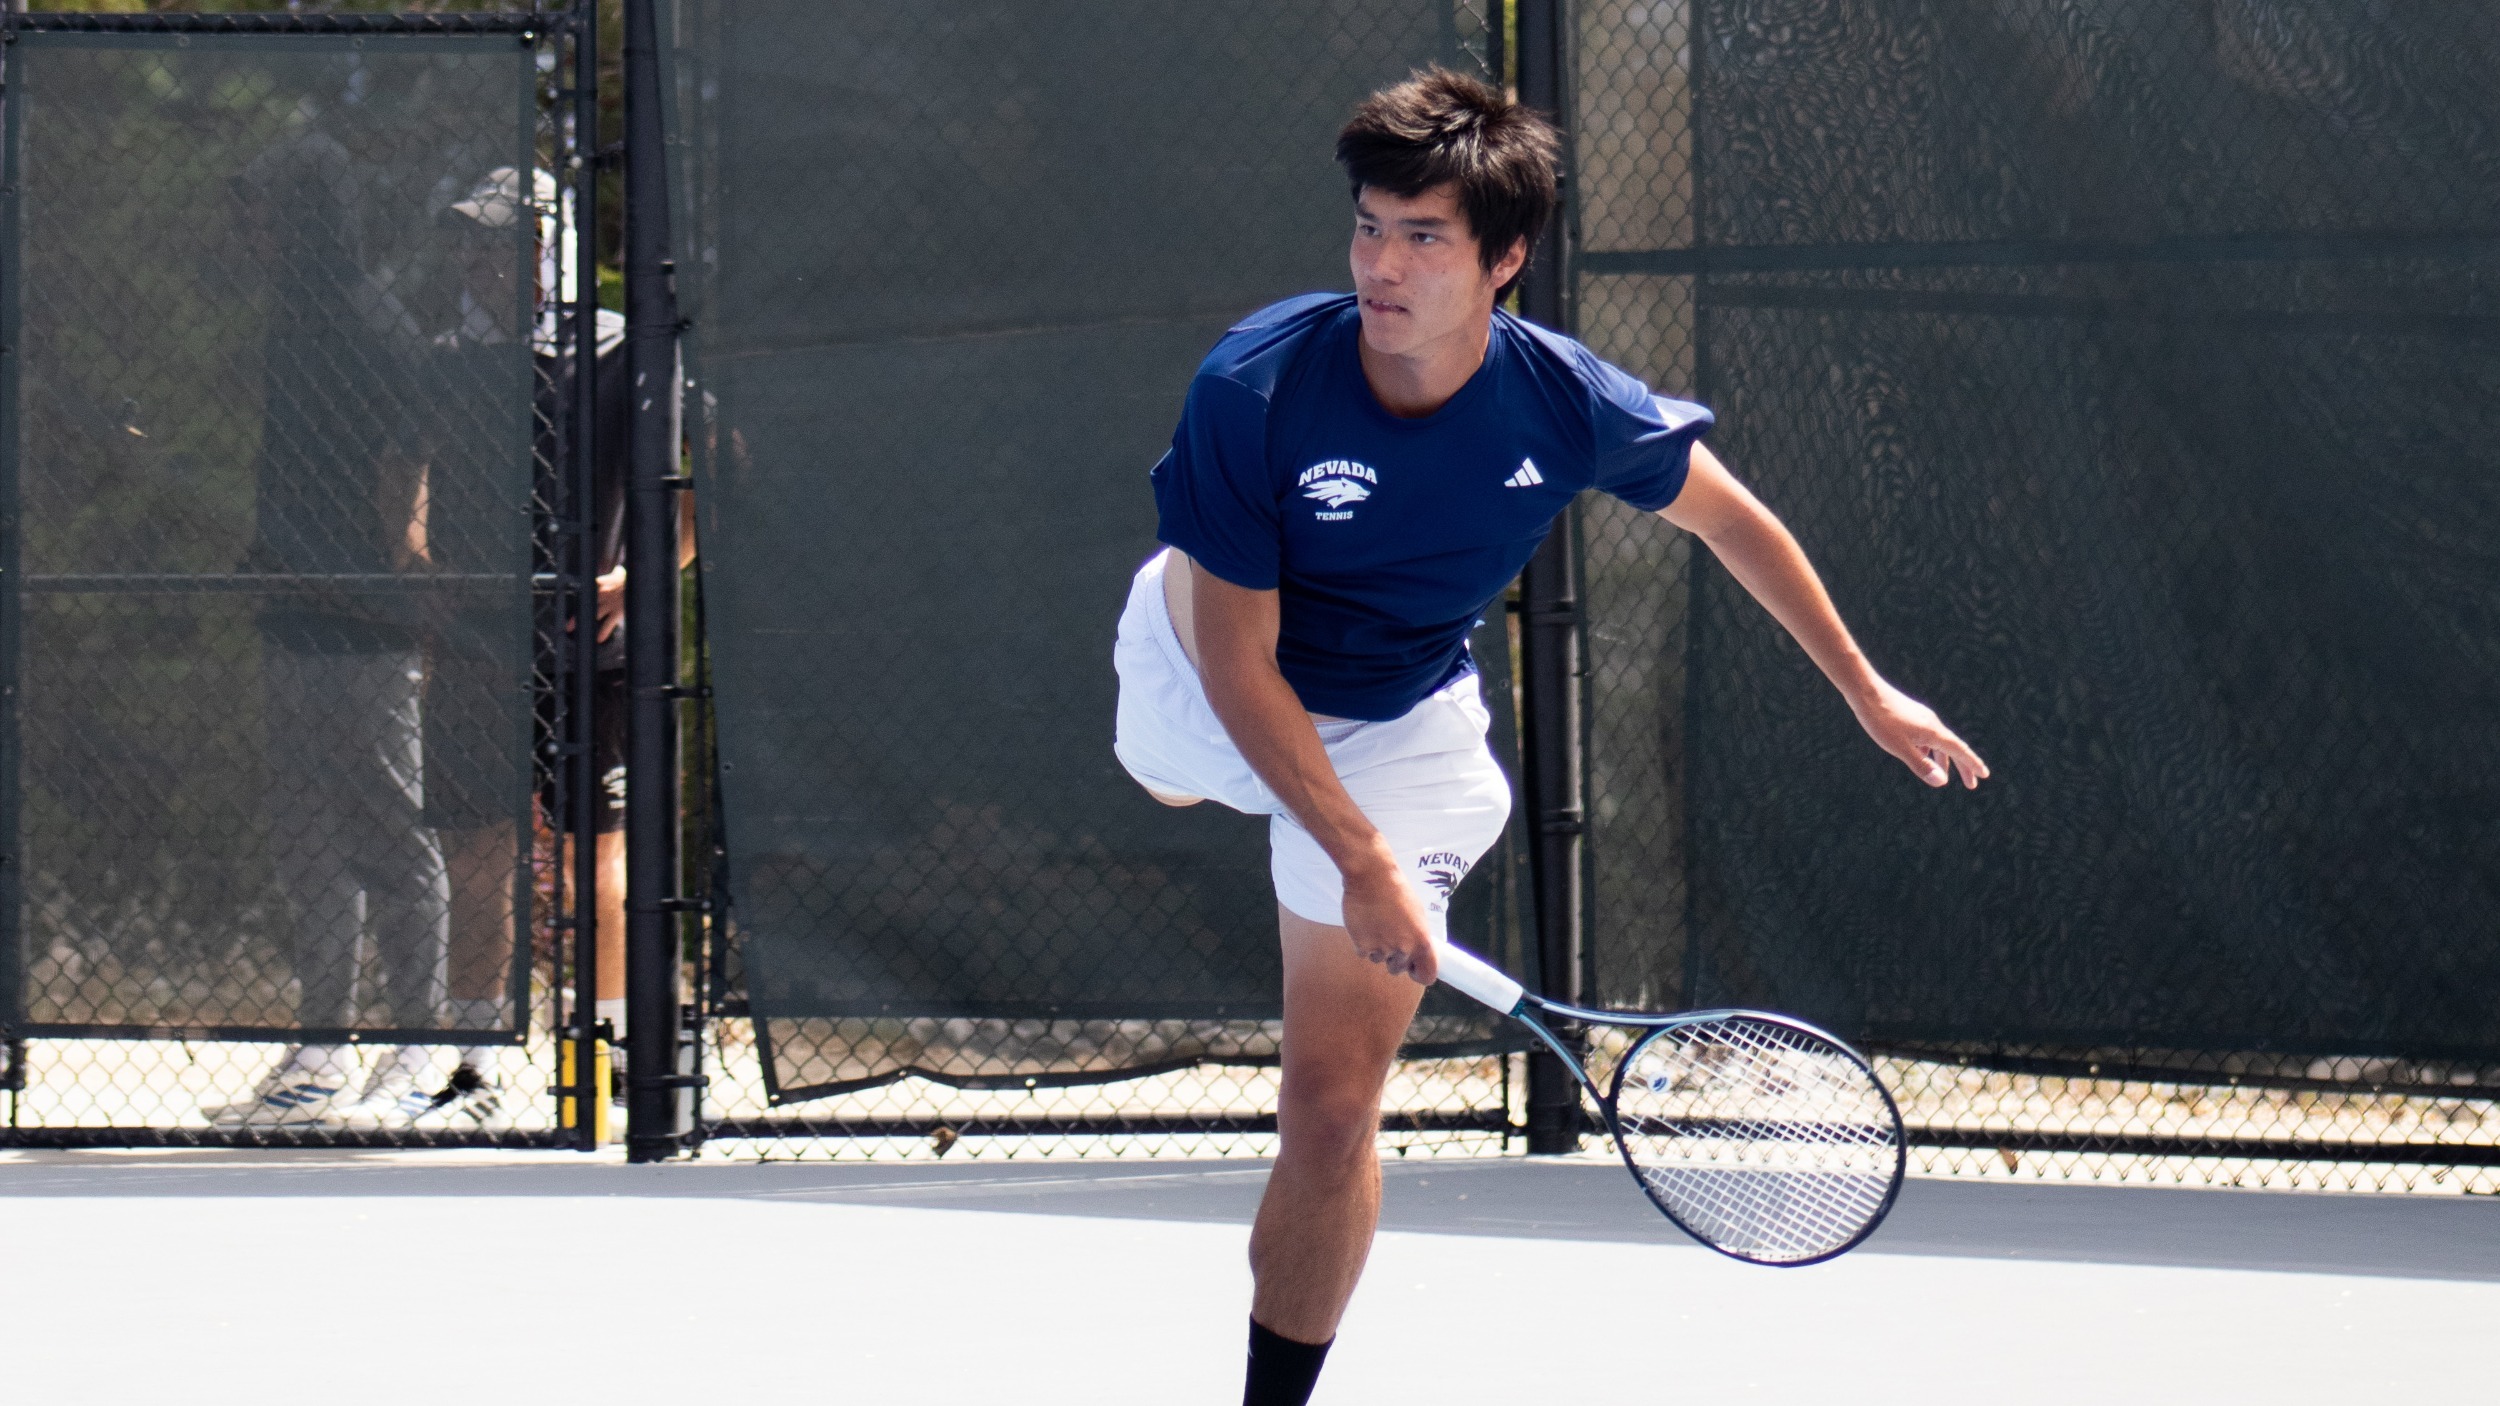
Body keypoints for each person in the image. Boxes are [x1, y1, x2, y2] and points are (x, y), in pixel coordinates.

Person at [1109, 69, 1988, 1406]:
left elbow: (1730, 519)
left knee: (1330, 1111)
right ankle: (1292, 827)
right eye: (1368, 228)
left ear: (1505, 258)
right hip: (1196, 674)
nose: (1381, 265)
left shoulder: (1566, 401)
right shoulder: (1255, 387)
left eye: (1424, 238)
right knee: (1177, 782)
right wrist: (1352, 853)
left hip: (1398, 719)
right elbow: (1241, 665)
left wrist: (1866, 687)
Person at [208, 107, 452, 1128]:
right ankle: (322, 1046)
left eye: (268, 215)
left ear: (311, 219)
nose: (254, 235)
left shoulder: (369, 319)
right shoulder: (292, 322)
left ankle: (424, 1048)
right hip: (293, 615)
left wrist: (401, 560)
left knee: (389, 823)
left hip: (366, 622)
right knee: (305, 828)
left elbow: (423, 442)